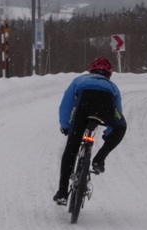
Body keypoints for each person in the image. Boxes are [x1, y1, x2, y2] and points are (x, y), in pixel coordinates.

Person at [53, 56, 127, 205]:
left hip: (83, 108)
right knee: (121, 127)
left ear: (91, 70)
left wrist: (67, 126)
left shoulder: (79, 80)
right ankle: (99, 159)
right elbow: (117, 111)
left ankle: (62, 192)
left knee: (71, 149)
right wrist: (109, 133)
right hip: (105, 108)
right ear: (109, 74)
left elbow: (66, 105)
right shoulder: (112, 86)